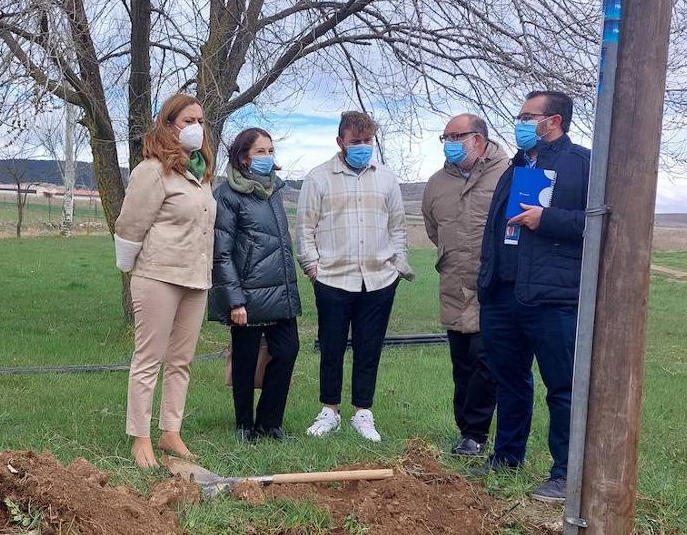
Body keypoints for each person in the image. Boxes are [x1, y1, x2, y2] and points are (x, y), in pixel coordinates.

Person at [475, 90, 590, 503]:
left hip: (552, 299)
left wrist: (549, 219)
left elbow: (600, 223)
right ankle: (507, 457)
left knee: (561, 386)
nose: (521, 122)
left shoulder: (582, 165)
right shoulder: (517, 166)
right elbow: (496, 229)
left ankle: (564, 473)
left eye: (528, 116)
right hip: (504, 296)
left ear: (553, 120)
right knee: (510, 381)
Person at [296, 111, 414, 443]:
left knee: (369, 347)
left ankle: (363, 412)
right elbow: (305, 228)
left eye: (367, 141)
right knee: (331, 347)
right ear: (340, 142)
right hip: (333, 277)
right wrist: (312, 267)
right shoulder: (318, 178)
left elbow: (398, 228)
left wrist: (396, 264)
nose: (362, 147)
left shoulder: (387, 179)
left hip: (378, 279)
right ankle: (330, 410)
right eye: (355, 142)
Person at [114, 93, 217, 468]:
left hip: (195, 278)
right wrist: (128, 264)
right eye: (188, 120)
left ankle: (170, 431)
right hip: (158, 275)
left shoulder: (200, 171)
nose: (196, 128)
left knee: (181, 360)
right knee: (149, 358)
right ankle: (140, 437)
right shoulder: (152, 171)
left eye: (200, 121)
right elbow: (130, 223)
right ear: (169, 124)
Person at [208, 127, 302, 443]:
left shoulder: (273, 192)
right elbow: (221, 252)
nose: (266, 157)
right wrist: (235, 300)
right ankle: (245, 426)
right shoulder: (227, 194)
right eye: (259, 151)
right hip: (247, 294)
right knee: (245, 362)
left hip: (279, 291)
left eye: (270, 150)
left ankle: (269, 423)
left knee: (288, 351)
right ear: (243, 155)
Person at [422, 114, 507, 458]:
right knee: (463, 363)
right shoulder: (436, 183)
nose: (451, 143)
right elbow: (433, 229)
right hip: (454, 284)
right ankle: (466, 431)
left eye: (458, 136)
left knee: (486, 361)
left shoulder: (508, 173)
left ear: (480, 137)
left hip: (495, 287)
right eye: (446, 137)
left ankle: (476, 433)